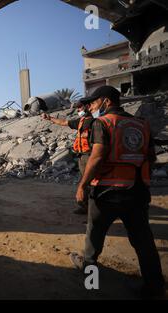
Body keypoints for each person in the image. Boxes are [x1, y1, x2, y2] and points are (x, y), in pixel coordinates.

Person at [71, 86, 165, 299]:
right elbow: (151, 157)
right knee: (143, 242)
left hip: (106, 193)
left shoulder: (102, 123)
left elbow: (97, 156)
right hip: (137, 192)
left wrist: (82, 185)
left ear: (105, 101)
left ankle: (91, 283)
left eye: (94, 103)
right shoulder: (141, 124)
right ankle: (155, 288)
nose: (92, 107)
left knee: (94, 240)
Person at [42, 102, 94, 215]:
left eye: (80, 107)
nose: (78, 110)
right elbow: (64, 122)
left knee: (89, 183)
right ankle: (85, 207)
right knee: (84, 183)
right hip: (82, 156)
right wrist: (49, 118)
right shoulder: (80, 122)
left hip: (90, 156)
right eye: (78, 108)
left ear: (88, 107)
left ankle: (93, 210)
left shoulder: (95, 123)